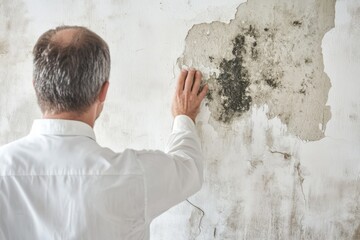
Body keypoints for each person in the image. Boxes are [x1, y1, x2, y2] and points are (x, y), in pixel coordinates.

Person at [0, 26, 208, 239]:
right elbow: (188, 167)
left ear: (36, 87)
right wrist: (184, 116)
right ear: (103, 91)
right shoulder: (134, 176)